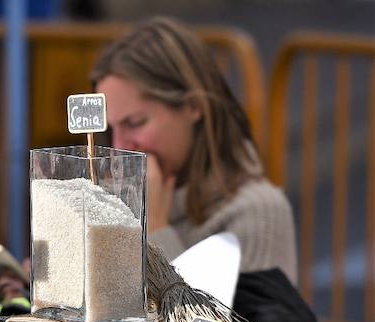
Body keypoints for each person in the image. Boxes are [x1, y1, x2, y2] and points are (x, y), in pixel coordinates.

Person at [92, 16, 298, 283]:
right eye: (111, 129)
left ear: (193, 106)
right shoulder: (115, 194)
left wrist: (154, 225)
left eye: (135, 123)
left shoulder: (258, 211)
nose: (119, 146)